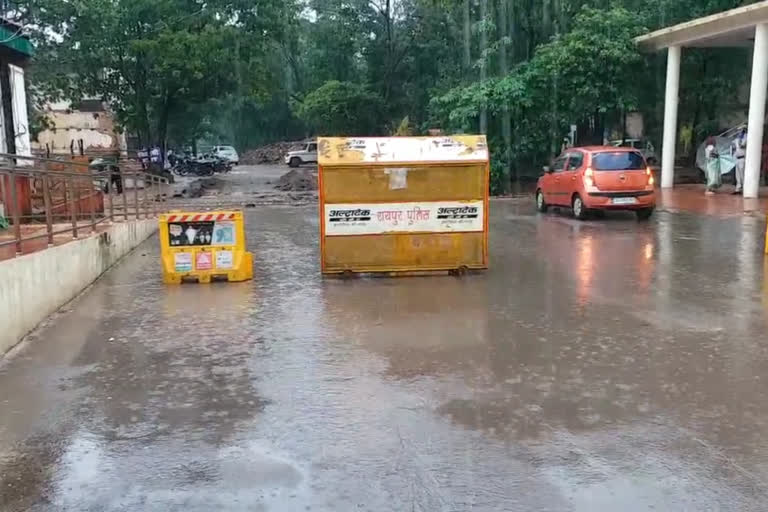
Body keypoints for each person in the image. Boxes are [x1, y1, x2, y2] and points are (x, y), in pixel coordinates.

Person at [731, 128, 747, 194]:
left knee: (742, 174)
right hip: (737, 158)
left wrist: (741, 138)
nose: (738, 132)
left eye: (740, 130)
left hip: (742, 158)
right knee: (737, 175)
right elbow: (732, 145)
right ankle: (738, 189)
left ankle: (744, 188)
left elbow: (742, 145)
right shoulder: (736, 139)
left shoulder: (745, 138)